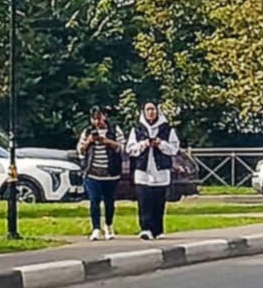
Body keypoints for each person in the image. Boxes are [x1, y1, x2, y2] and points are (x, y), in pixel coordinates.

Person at [126, 101, 183, 241]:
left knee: (159, 202)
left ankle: (158, 230)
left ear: (157, 111)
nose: (151, 112)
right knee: (144, 202)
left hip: (161, 172)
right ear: (143, 112)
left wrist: (160, 144)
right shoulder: (137, 129)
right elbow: (130, 149)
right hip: (142, 171)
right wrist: (144, 144)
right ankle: (145, 229)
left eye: (153, 109)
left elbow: (174, 149)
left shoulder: (167, 129)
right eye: (148, 109)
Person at [76, 109, 125, 240]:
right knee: (94, 199)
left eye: (99, 118)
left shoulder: (114, 130)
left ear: (105, 117)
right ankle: (96, 228)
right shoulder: (87, 132)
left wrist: (107, 141)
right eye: (94, 119)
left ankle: (108, 225)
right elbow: (80, 151)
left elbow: (122, 148)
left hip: (111, 173)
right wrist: (89, 141)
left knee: (109, 202)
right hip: (92, 173)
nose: (97, 122)